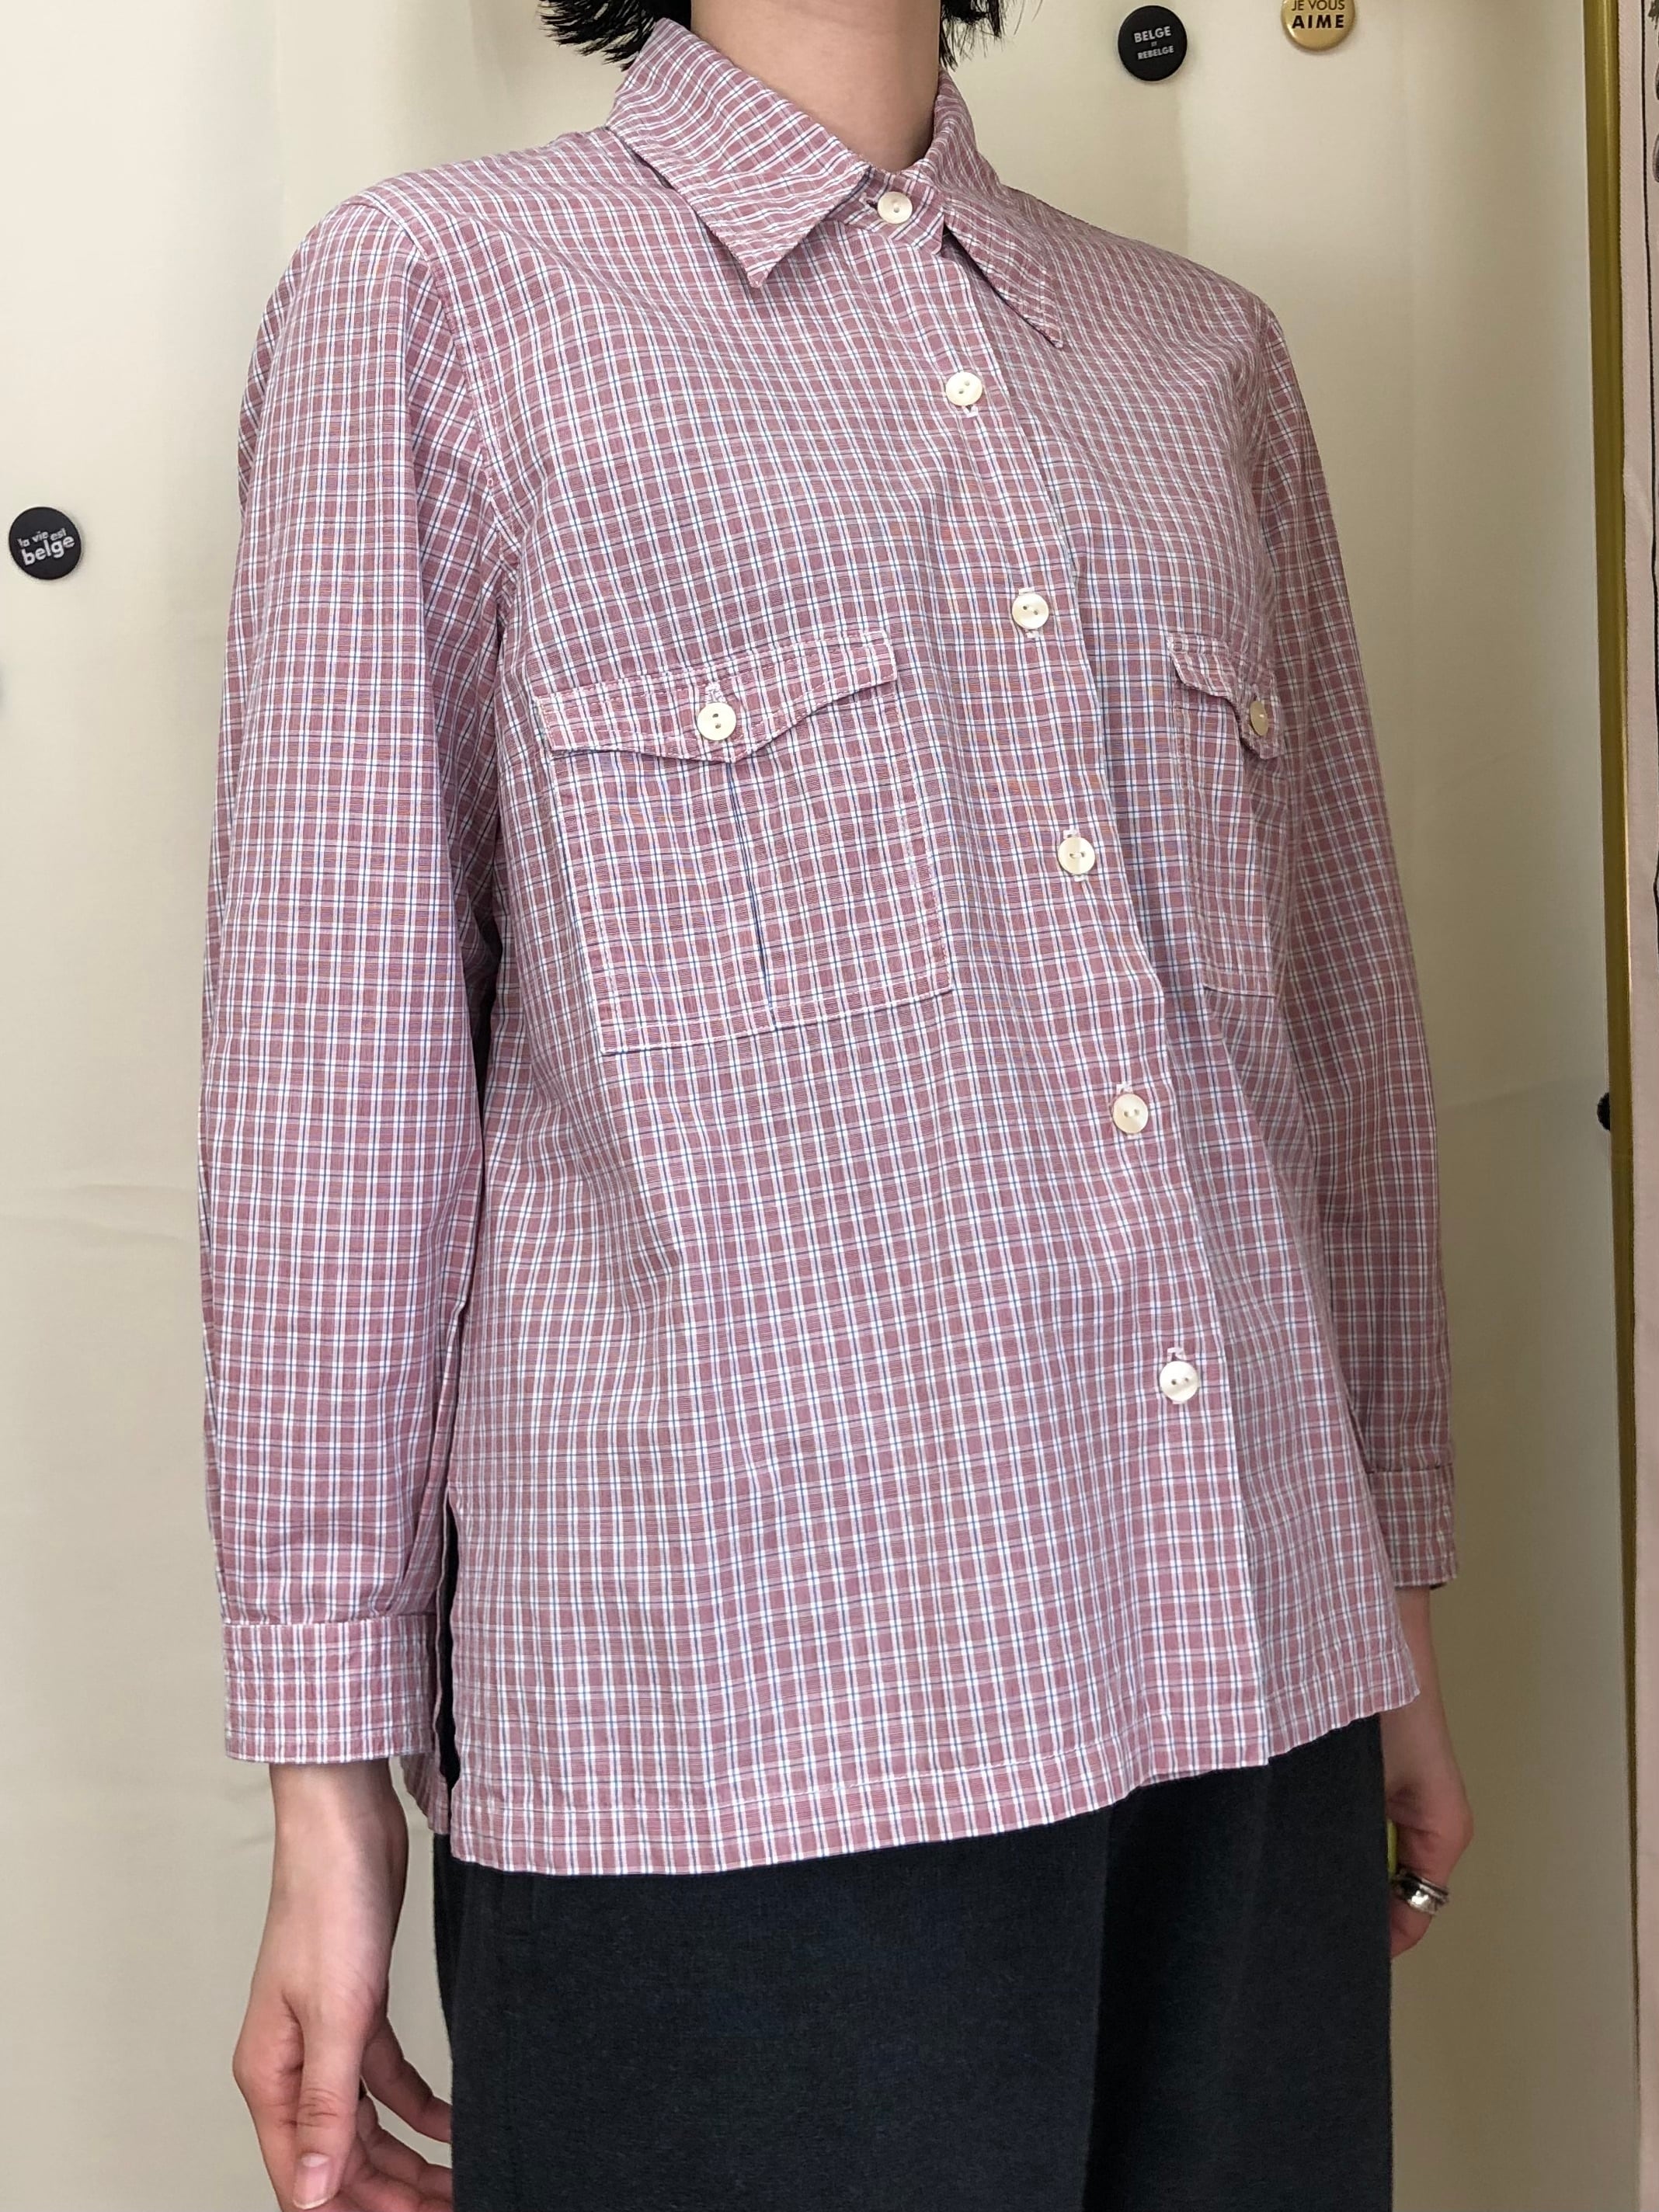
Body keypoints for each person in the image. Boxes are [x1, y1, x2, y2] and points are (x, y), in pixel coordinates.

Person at [197, 0, 1474, 2205]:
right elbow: (339, 1070)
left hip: (1254, 1689)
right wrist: (330, 1799)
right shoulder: (437, 297)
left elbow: (1336, 1043)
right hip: (743, 1739)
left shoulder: (1203, 358)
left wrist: (1395, 1624)